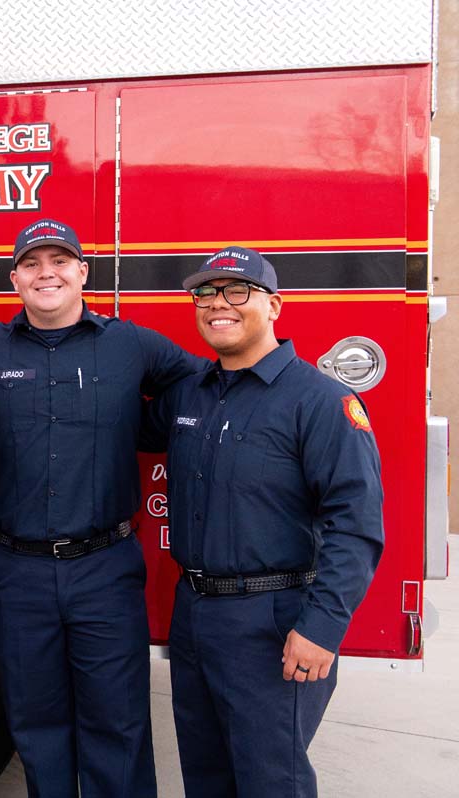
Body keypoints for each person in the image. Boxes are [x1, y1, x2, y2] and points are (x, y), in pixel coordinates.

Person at [0, 219, 201, 797]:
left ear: (82, 272)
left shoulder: (128, 343)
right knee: (37, 728)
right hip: (19, 572)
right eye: (32, 263)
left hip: (104, 569)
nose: (47, 273)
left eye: (60, 261)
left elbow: (195, 380)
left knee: (118, 726)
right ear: (15, 278)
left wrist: (142, 428)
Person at [141, 246, 384, 797]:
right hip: (194, 614)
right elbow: (113, 425)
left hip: (272, 621)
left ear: (273, 305)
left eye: (237, 291)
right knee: (206, 777)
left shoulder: (320, 401)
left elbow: (356, 525)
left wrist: (321, 628)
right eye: (206, 293)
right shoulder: (190, 394)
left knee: (271, 782)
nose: (217, 304)